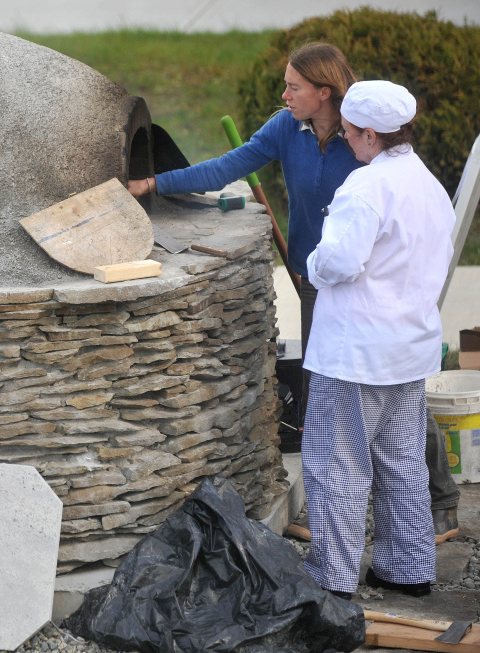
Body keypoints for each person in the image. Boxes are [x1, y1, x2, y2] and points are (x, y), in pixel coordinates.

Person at [127, 42, 460, 544]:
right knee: (322, 395)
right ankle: (331, 513)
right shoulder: (288, 128)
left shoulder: (365, 139)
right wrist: (152, 183)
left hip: (377, 292)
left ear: (325, 92)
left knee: (392, 395)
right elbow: (226, 167)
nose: (283, 94)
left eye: (294, 87)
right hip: (316, 284)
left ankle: (441, 502)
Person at [300, 80, 456, 599]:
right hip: (408, 352)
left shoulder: (366, 187)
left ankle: (333, 581)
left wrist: (312, 263)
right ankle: (406, 569)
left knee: (336, 468)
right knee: (402, 464)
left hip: (354, 355)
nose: (344, 140)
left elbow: (340, 262)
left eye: (347, 133)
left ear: (370, 134)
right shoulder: (430, 186)